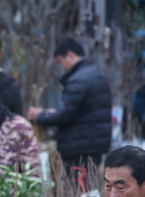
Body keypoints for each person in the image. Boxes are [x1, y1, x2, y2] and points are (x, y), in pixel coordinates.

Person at [28, 37, 112, 171]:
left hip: (78, 148)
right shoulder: (96, 74)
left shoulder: (78, 80)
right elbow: (82, 112)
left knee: (79, 186)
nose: (62, 67)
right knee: (89, 187)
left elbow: (66, 116)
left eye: (61, 62)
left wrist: (40, 116)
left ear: (70, 55)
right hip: (93, 144)